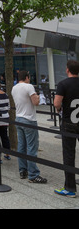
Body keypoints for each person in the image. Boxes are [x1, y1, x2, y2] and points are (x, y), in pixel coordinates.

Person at [11, 70, 47, 183]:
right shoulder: (29, 86)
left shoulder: (14, 88)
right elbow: (35, 102)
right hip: (29, 119)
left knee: (21, 146)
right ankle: (33, 174)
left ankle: (23, 170)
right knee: (32, 147)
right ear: (27, 77)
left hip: (19, 118)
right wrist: (37, 95)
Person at [54, 60, 79, 197]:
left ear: (67, 69)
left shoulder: (63, 84)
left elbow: (57, 103)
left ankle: (70, 188)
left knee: (69, 154)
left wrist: (60, 109)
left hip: (69, 122)